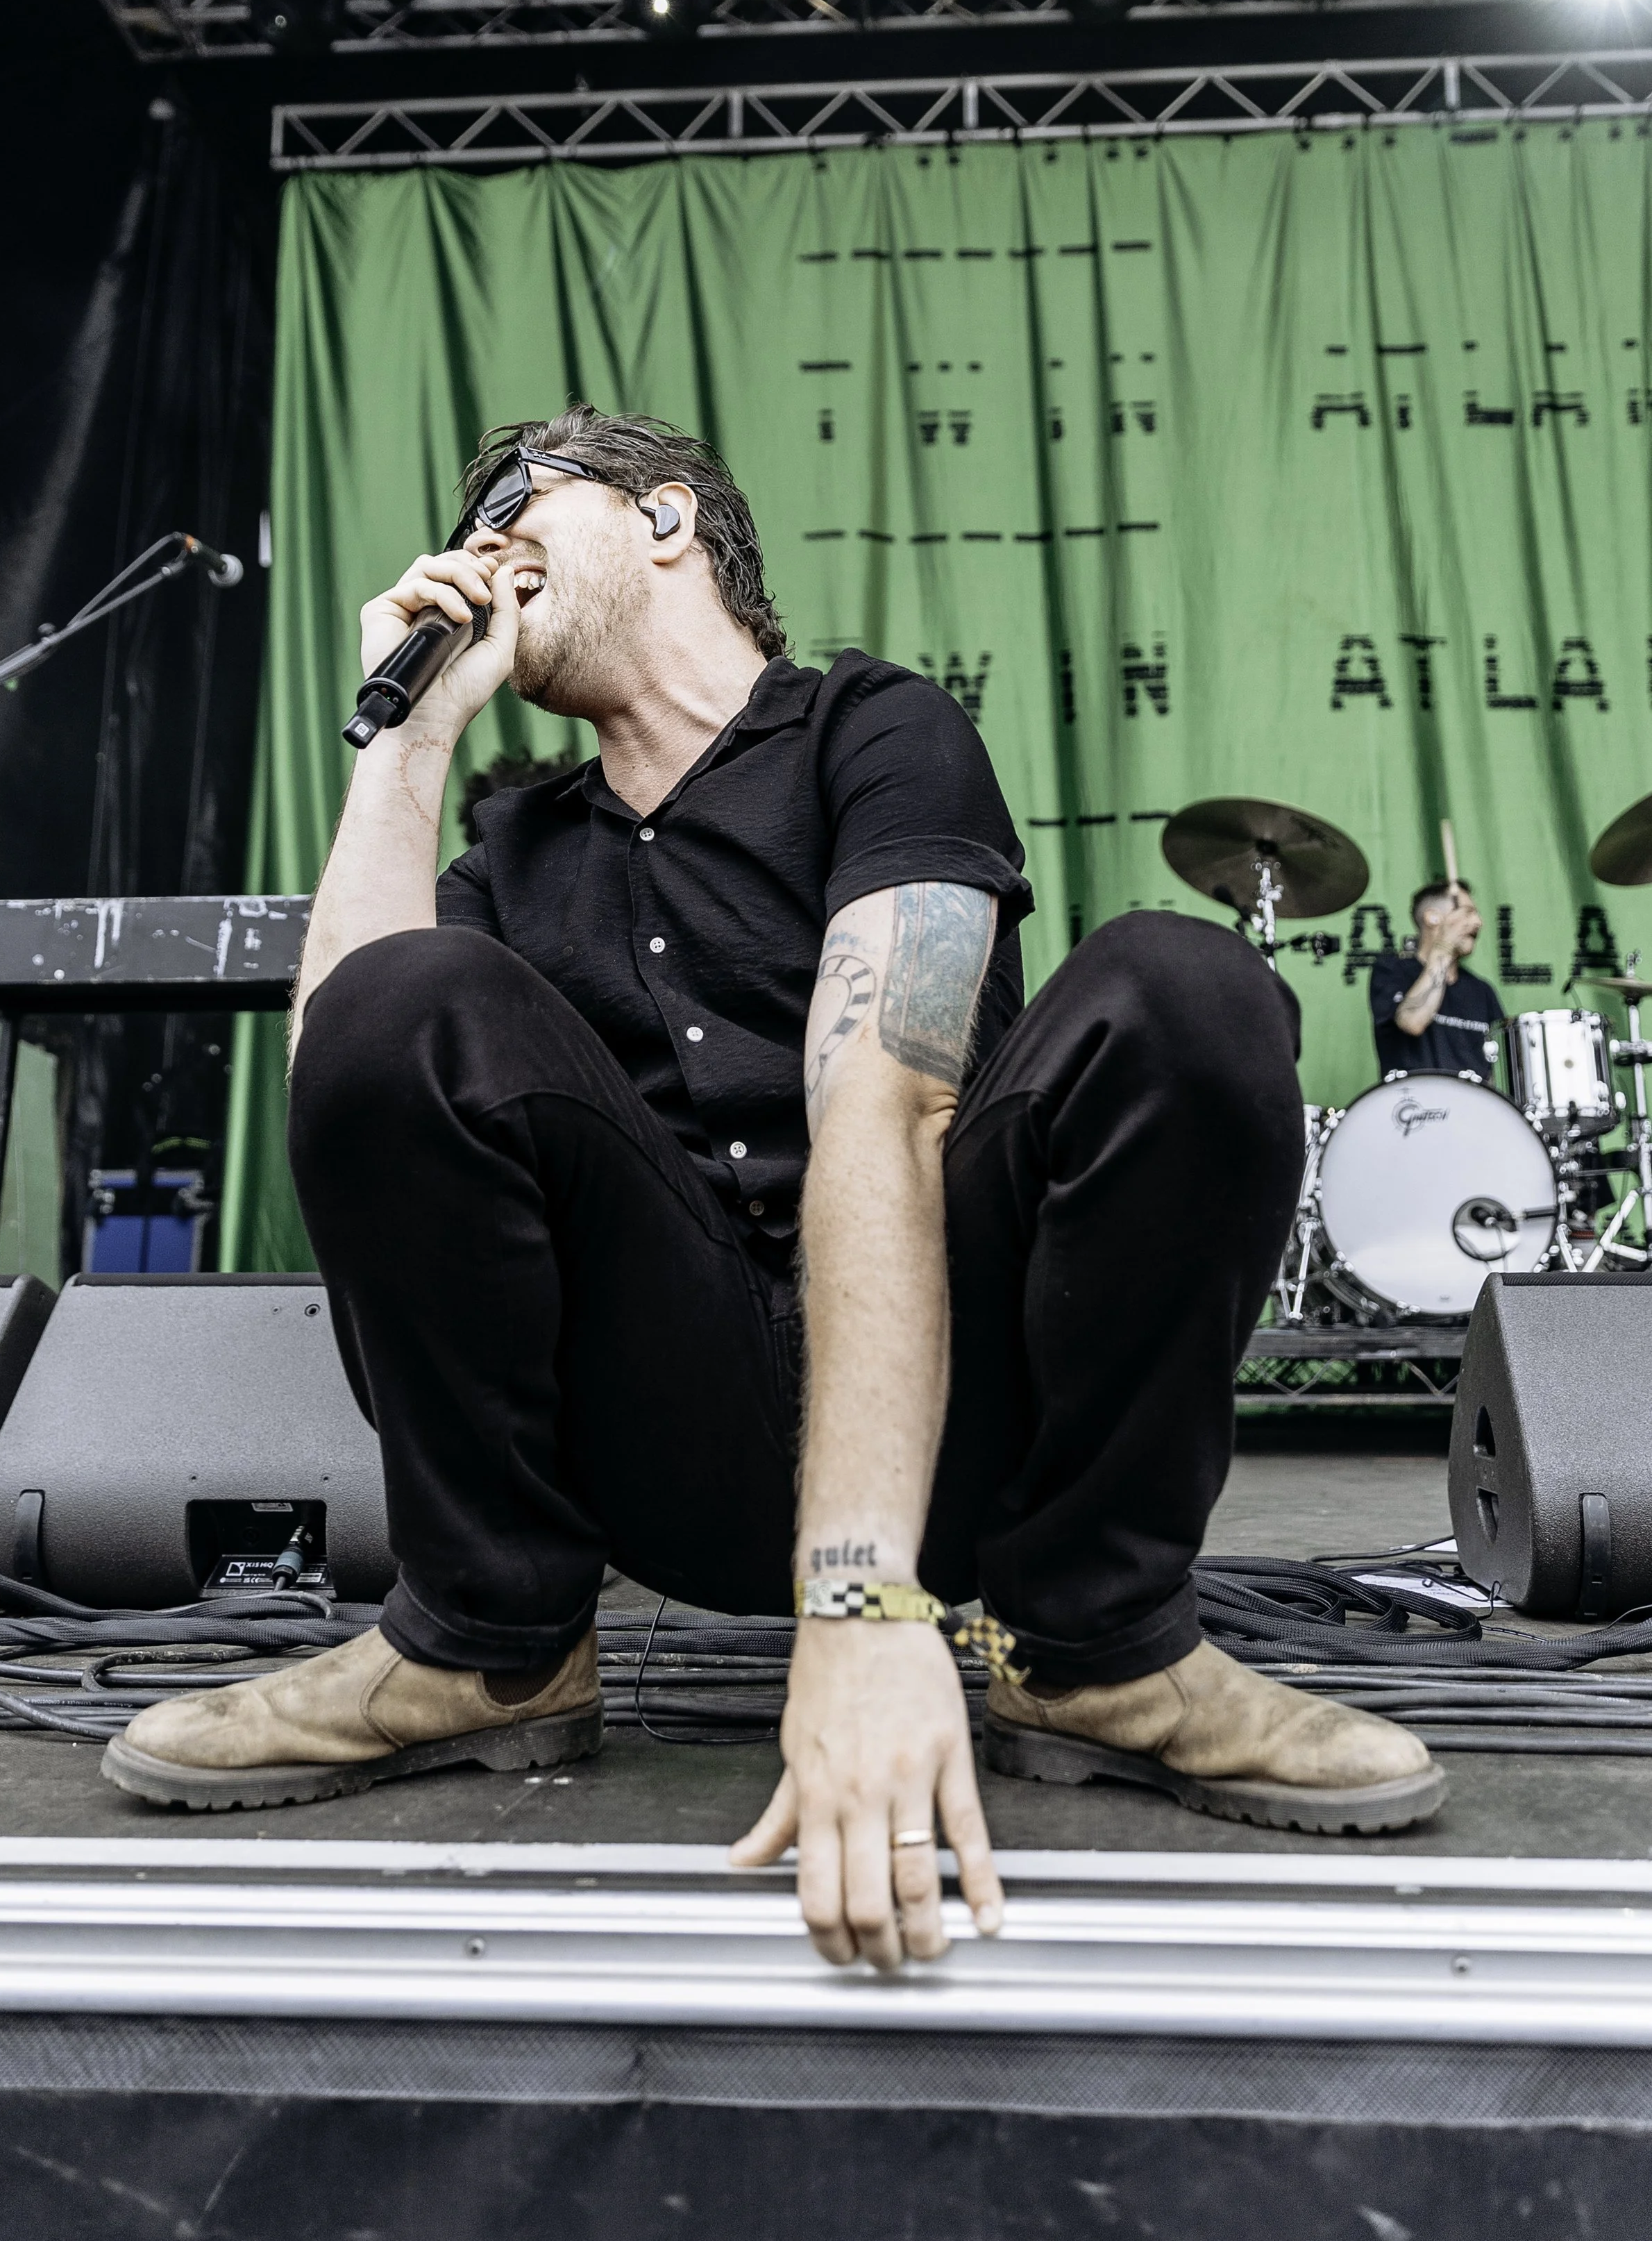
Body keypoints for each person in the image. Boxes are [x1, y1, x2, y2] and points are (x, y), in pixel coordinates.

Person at [104, 405, 1442, 1967]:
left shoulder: (874, 731)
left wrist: (863, 1598)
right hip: (660, 1424)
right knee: (403, 999)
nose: (479, 546)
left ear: (666, 518)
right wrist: (406, 741)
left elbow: (890, 1102)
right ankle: (486, 1648)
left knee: (1185, 985)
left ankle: (1099, 1651)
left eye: (515, 506)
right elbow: (341, 1062)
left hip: (948, 1418)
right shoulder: (510, 840)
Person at [1371, 880, 1504, 1083]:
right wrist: (1443, 948)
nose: (1478, 922)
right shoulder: (1392, 970)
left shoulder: (1482, 991)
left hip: (1475, 1110)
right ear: (1432, 918)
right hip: (1412, 1108)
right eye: (1467, 912)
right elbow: (1413, 1022)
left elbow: (1495, 1072)